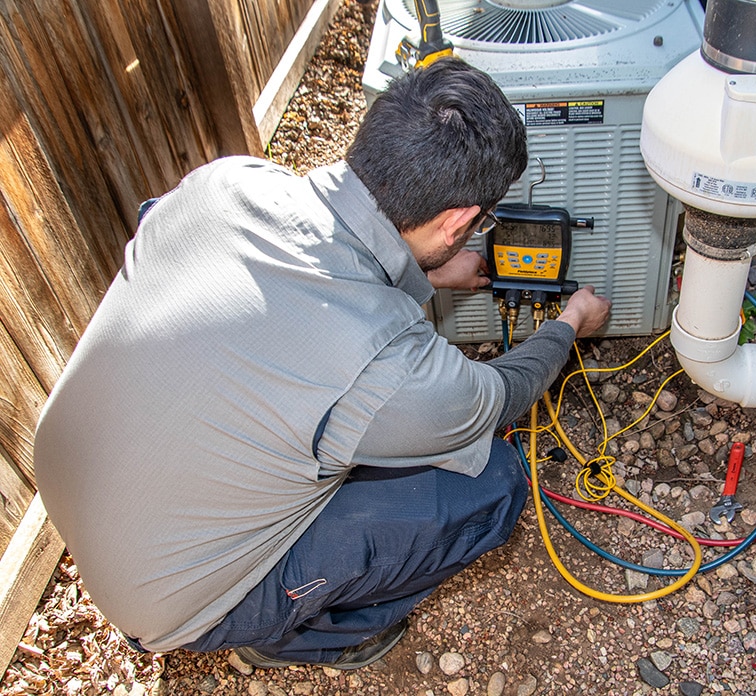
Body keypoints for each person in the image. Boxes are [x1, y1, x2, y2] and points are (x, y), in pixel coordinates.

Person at [33, 58, 611, 669]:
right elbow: (501, 395)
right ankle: (295, 635)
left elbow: (285, 298)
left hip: (81, 495)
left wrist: (427, 274)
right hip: (173, 603)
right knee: (492, 482)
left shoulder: (227, 183)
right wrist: (570, 323)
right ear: (459, 222)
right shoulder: (390, 368)